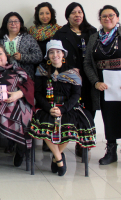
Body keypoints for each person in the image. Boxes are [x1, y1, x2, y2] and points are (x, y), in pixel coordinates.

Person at [30, 40, 96, 176]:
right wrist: (49, 108)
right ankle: (59, 158)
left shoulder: (73, 72)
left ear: (63, 54)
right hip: (47, 106)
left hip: (68, 107)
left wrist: (63, 109)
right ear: (47, 56)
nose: (55, 55)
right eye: (51, 52)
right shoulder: (41, 71)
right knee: (45, 124)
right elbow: (38, 93)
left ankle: (57, 157)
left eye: (58, 52)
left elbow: (76, 95)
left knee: (69, 124)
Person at [53, 3, 97, 156]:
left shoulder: (92, 32)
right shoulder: (61, 33)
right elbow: (58, 55)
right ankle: (65, 139)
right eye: (73, 12)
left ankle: (83, 142)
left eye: (80, 12)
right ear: (68, 16)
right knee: (72, 105)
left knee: (89, 107)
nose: (77, 15)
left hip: (90, 75)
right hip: (70, 76)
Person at [84, 5, 121, 165]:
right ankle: (111, 151)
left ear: (117, 18)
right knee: (109, 117)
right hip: (104, 86)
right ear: (100, 20)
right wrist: (95, 81)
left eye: (111, 15)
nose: (108, 19)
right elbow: (87, 63)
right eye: (104, 16)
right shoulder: (94, 37)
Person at [0, 12, 42, 80]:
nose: (13, 24)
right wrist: (4, 57)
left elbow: (39, 56)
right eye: (10, 22)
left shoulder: (28, 38)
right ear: (5, 24)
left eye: (16, 21)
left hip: (25, 77)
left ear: (20, 24)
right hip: (4, 77)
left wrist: (22, 57)